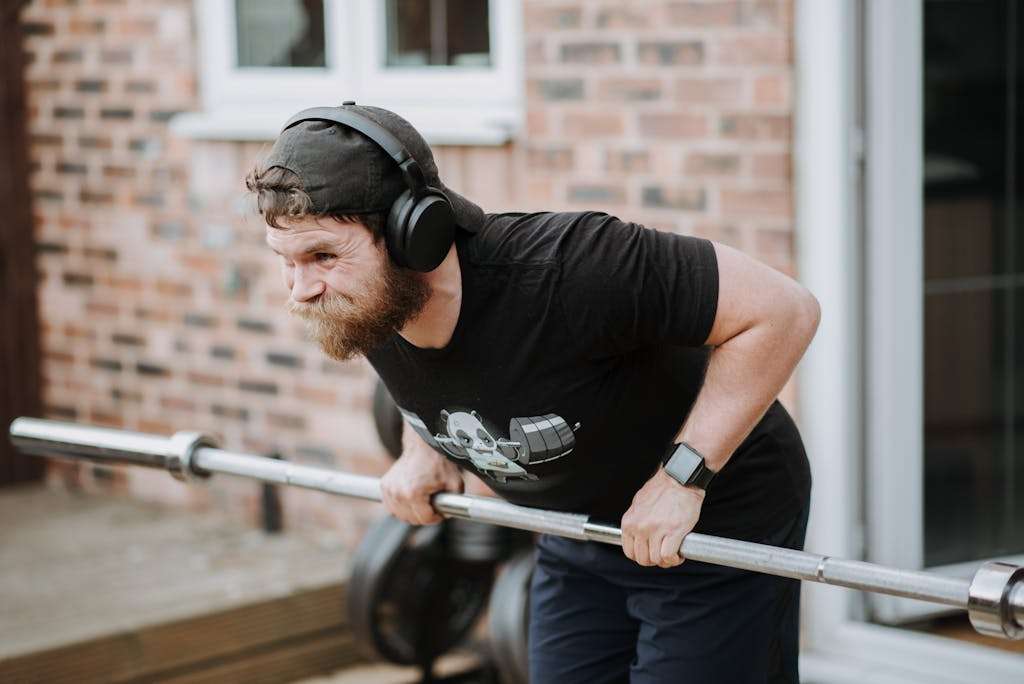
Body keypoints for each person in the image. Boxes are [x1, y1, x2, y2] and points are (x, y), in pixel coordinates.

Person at [244, 102, 819, 684]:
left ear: (415, 236)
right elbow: (438, 376)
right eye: (285, 262)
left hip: (712, 518)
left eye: (321, 256)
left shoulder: (573, 268)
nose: (300, 290)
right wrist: (424, 449)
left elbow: (783, 311)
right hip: (579, 526)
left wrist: (682, 480)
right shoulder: (366, 303)